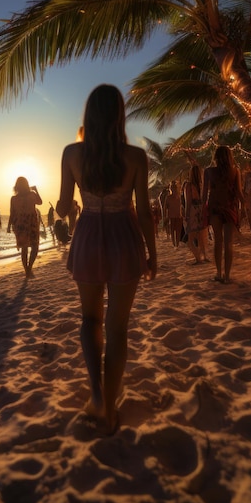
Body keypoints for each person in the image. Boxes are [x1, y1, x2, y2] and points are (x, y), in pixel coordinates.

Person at [57, 84, 157, 435]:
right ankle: (110, 409)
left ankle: (97, 395)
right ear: (119, 115)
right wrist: (152, 252)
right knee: (117, 329)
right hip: (124, 239)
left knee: (89, 320)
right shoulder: (135, 157)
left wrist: (61, 202)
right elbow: (144, 212)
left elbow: (64, 206)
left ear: (88, 116)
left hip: (87, 238)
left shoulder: (71, 153)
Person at [204, 146, 243, 283]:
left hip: (214, 208)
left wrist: (203, 211)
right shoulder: (235, 172)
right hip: (229, 208)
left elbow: (204, 196)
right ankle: (227, 276)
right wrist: (245, 205)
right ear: (230, 157)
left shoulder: (208, 172)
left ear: (215, 157)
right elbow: (238, 192)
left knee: (218, 242)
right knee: (228, 243)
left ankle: (219, 273)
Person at [6, 177, 43, 278]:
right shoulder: (32, 195)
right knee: (35, 246)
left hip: (20, 224)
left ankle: (27, 270)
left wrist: (9, 225)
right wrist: (36, 190)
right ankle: (29, 268)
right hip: (31, 223)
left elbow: (12, 213)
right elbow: (40, 202)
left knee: (24, 248)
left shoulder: (14, 198)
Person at [182, 164, 209, 263]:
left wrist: (187, 215)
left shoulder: (188, 185)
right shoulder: (202, 185)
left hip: (193, 211)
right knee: (202, 237)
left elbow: (188, 201)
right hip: (201, 210)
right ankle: (204, 256)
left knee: (190, 240)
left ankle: (198, 258)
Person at [164, 181, 183, 246]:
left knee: (178, 230)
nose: (173, 189)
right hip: (171, 216)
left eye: (174, 188)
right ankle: (174, 243)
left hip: (178, 215)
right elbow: (165, 208)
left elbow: (182, 206)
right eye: (172, 188)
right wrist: (166, 217)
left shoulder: (179, 196)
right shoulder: (168, 198)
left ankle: (177, 243)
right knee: (172, 230)